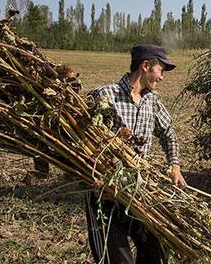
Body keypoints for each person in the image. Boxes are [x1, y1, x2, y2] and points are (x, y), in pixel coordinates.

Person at [85, 44, 186, 264]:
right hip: (105, 195)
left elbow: (168, 132)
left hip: (139, 191)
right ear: (146, 66)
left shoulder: (153, 101)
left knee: (156, 252)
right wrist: (99, 179)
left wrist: (175, 166)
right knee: (118, 260)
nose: (162, 77)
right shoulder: (106, 96)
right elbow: (82, 140)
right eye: (161, 70)